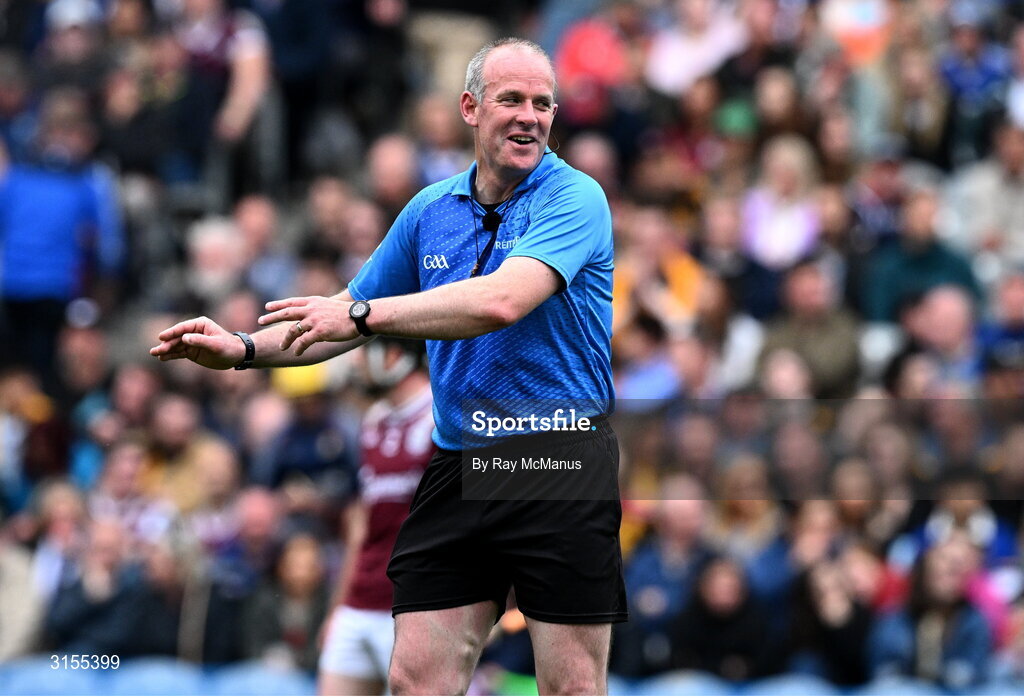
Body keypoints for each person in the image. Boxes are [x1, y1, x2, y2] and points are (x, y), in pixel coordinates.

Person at [151, 37, 624, 695]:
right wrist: (245, 350)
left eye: (543, 104)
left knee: (569, 687)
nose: (530, 116)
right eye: (511, 99)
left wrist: (367, 316)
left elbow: (502, 300)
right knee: (413, 680)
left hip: (558, 459)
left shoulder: (575, 198)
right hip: (461, 460)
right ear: (470, 106)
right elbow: (336, 317)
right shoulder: (429, 211)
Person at [318, 338, 433, 695]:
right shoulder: (373, 421)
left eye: (364, 351)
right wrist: (337, 607)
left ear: (395, 356)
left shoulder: (444, 413)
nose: (356, 363)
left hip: (415, 606)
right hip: (360, 600)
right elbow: (362, 524)